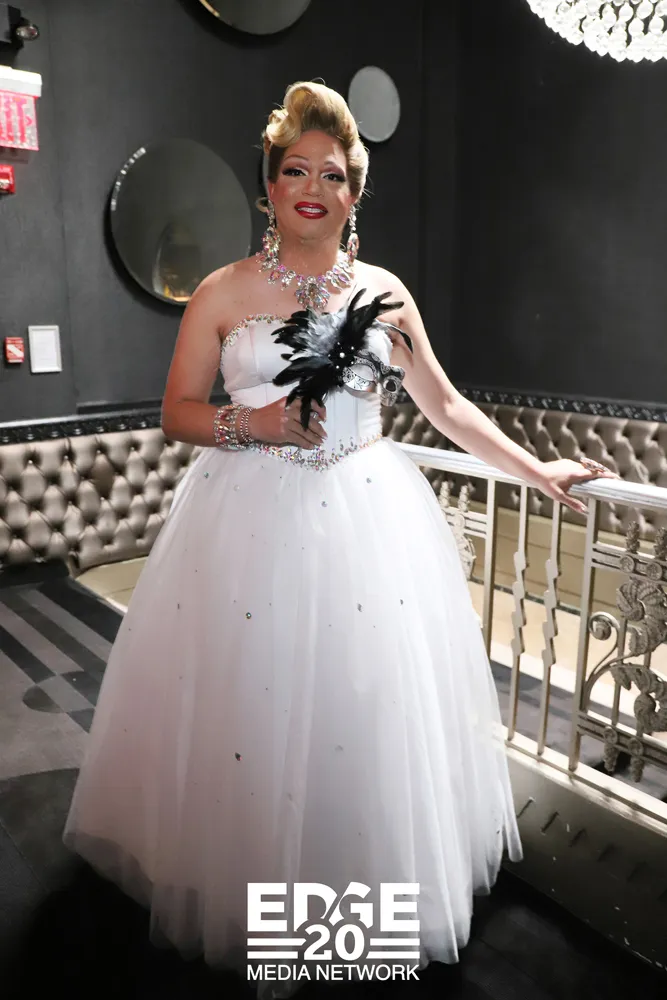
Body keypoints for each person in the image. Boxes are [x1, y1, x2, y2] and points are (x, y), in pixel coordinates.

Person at [63, 81, 618, 997]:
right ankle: (249, 901)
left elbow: (445, 406)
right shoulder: (221, 291)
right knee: (247, 709)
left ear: (355, 193)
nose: (312, 188)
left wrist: (536, 470)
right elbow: (177, 411)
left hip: (369, 518)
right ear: (268, 187)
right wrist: (256, 423)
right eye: (295, 171)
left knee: (361, 714)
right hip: (243, 518)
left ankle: (350, 913)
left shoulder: (384, 293)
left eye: (332, 174)